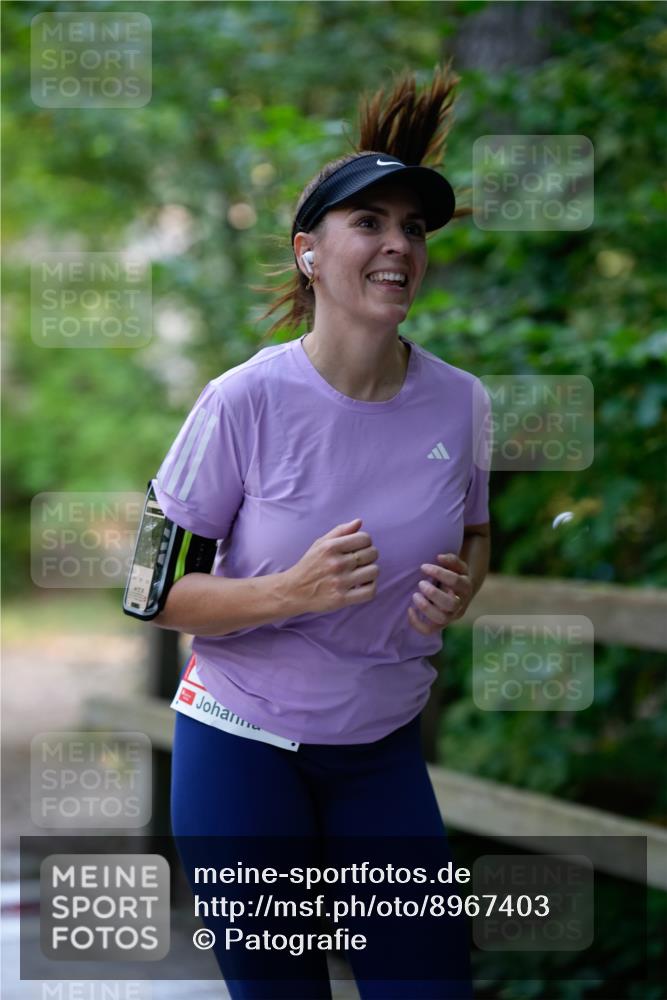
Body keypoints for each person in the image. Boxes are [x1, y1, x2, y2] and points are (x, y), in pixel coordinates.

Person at [153, 65, 490, 1000]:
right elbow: (150, 591)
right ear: (309, 252)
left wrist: (463, 586)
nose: (398, 245)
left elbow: (475, 534)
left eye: (413, 228)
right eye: (369, 223)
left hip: (380, 751)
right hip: (239, 748)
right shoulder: (242, 401)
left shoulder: (461, 403)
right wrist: (286, 593)